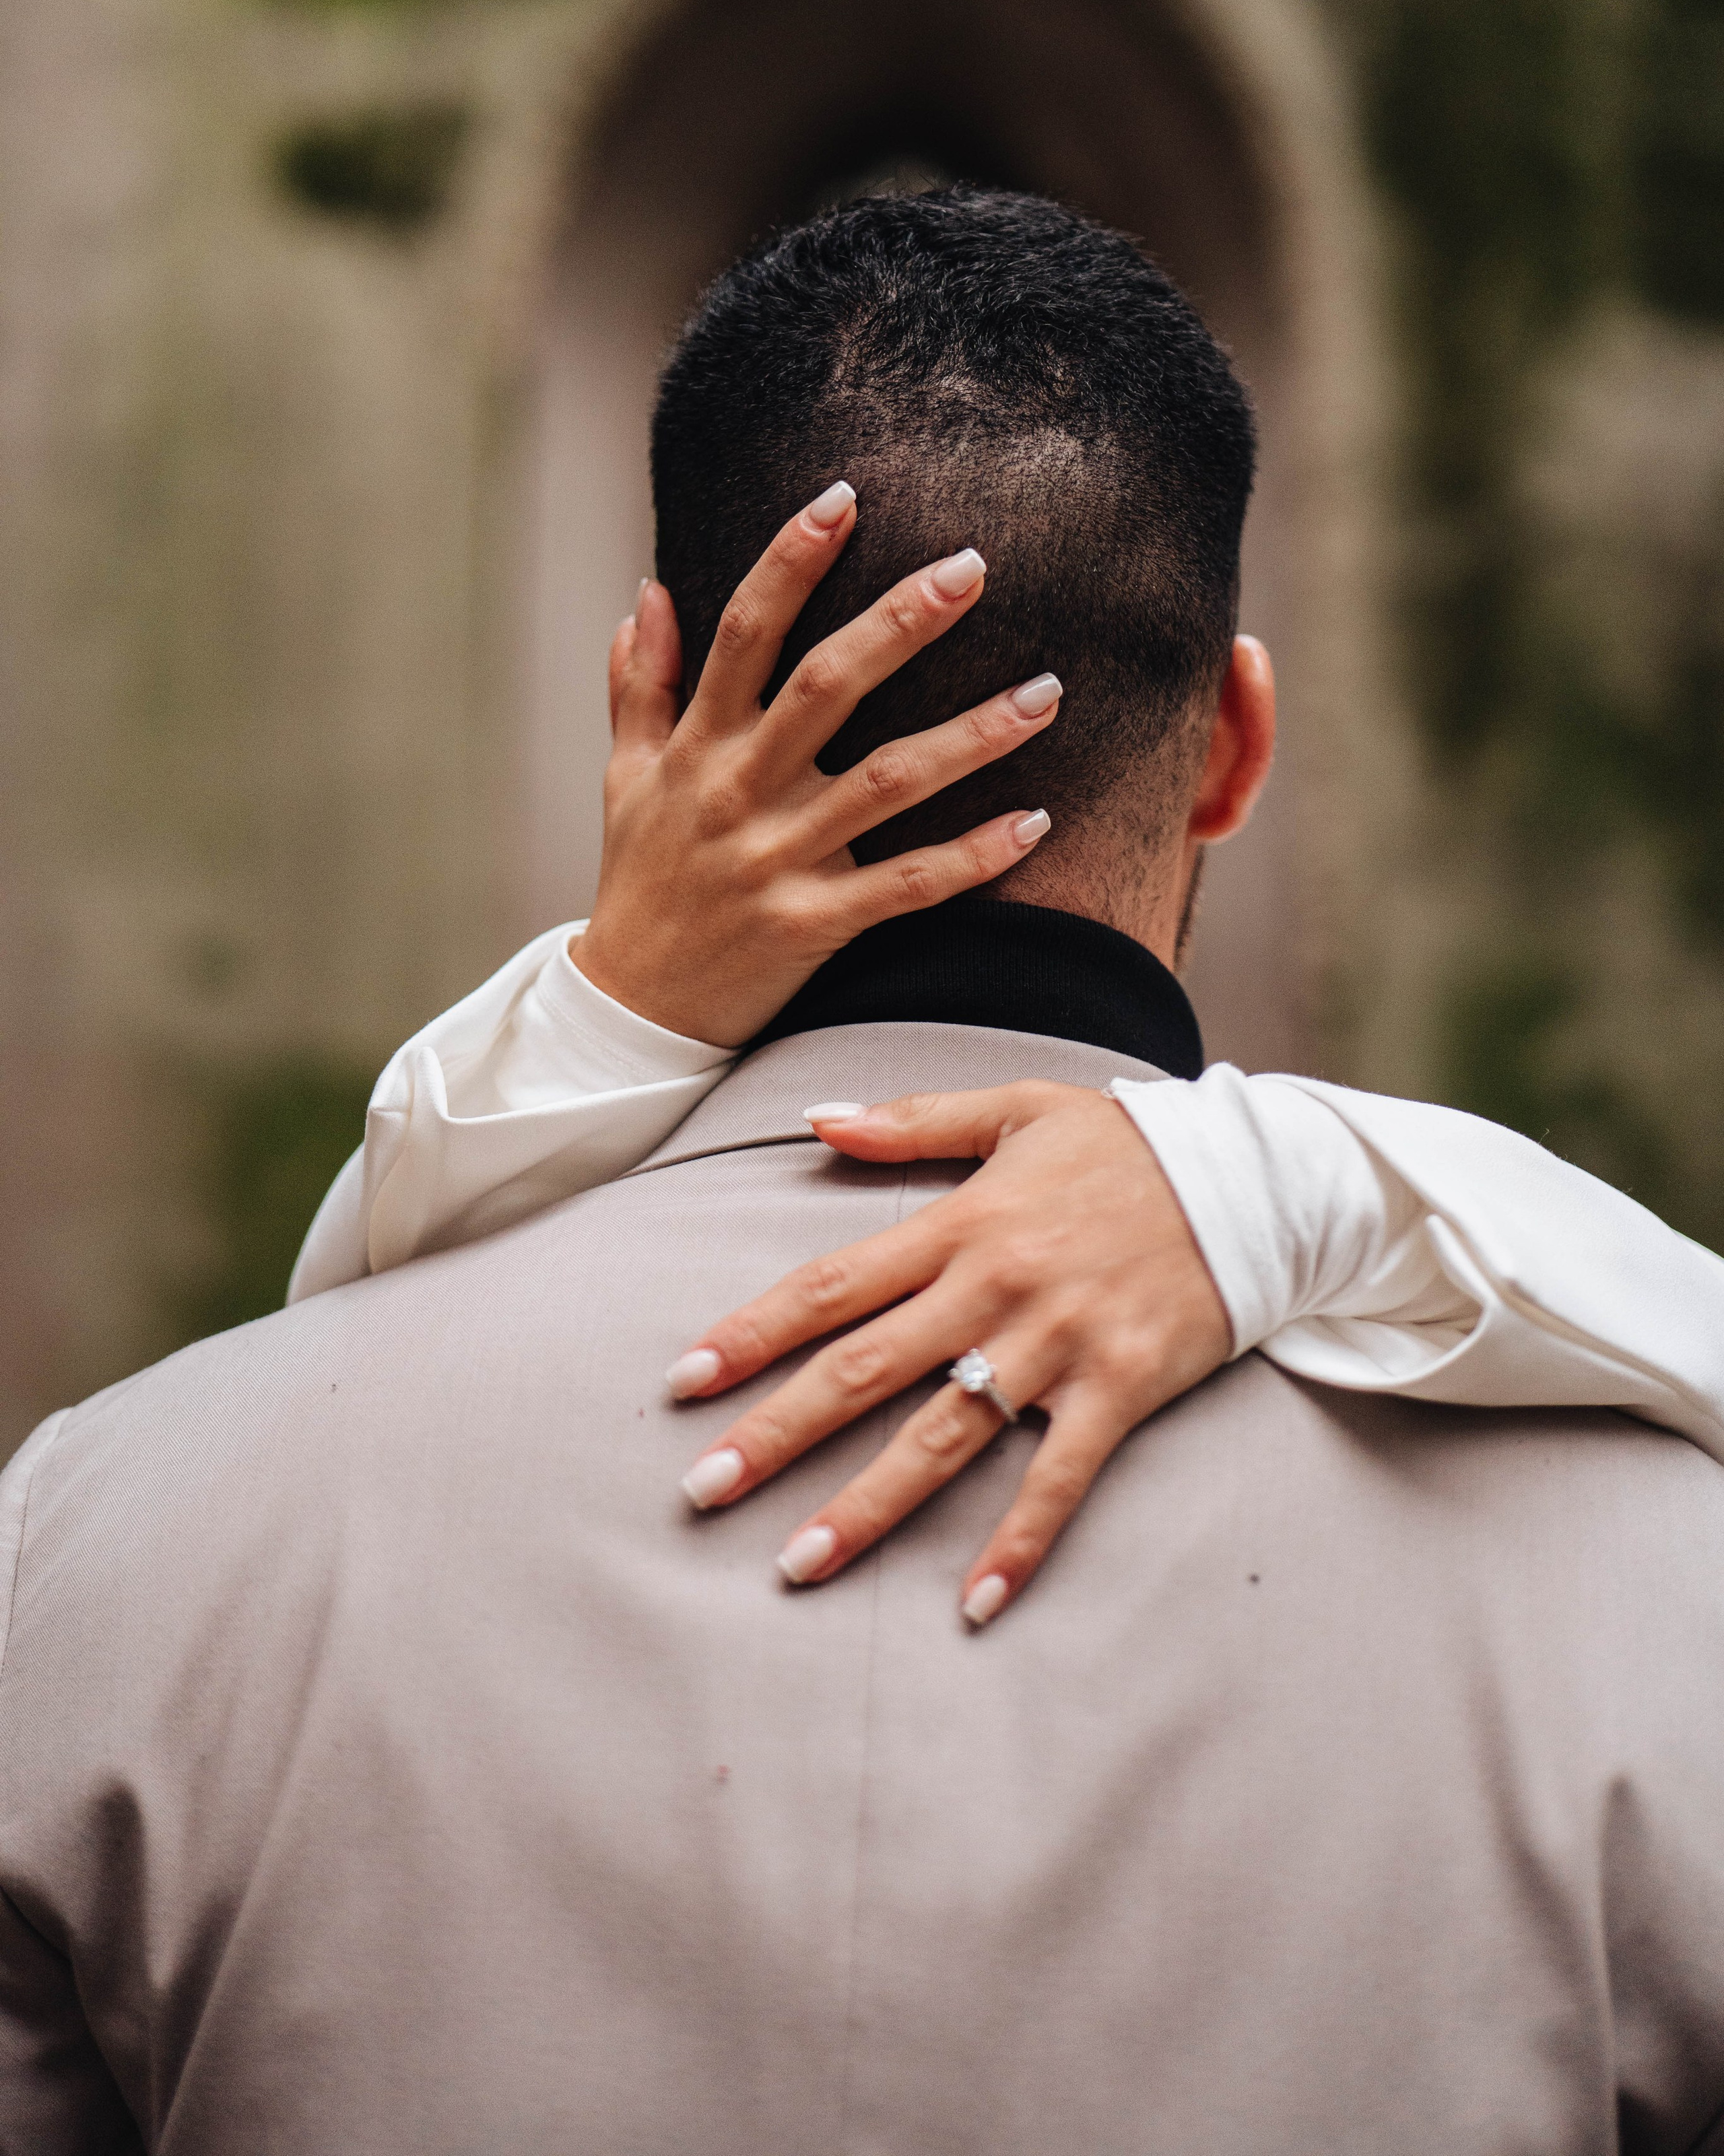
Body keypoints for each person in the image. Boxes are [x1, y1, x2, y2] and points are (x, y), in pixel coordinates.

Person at [3, 191, 1723, 2153]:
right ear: (1238, 744)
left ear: (644, 699)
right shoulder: (1662, 1576)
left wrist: (595, 1016)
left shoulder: (99, 1541)